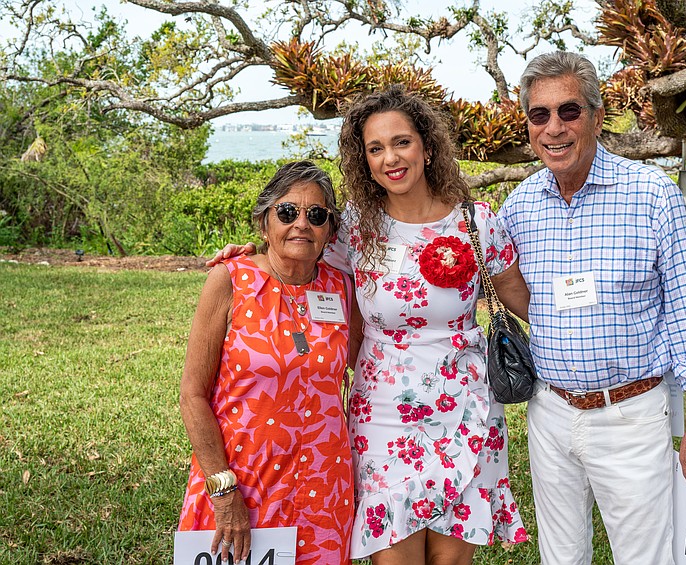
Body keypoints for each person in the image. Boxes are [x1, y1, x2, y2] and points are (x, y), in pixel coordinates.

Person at [209, 85, 530, 565]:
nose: (390, 158)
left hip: (467, 409)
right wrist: (249, 258)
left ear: (426, 146)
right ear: (365, 161)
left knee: (450, 561)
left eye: (401, 142)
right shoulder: (357, 226)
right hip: (383, 413)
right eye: (375, 148)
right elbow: (299, 253)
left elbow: (521, 299)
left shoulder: (475, 221)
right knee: (395, 555)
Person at [496, 51, 686, 564]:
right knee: (561, 557)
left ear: (597, 118)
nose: (554, 128)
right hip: (550, 413)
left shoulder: (652, 196)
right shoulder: (518, 208)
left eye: (569, 111)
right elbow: (511, 289)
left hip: (630, 417)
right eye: (539, 114)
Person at [178, 160, 354, 565]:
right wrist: (223, 491)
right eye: (287, 212)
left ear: (330, 230)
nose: (301, 224)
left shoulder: (343, 288)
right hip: (242, 483)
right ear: (264, 223)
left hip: (324, 490)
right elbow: (192, 395)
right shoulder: (230, 280)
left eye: (317, 215)